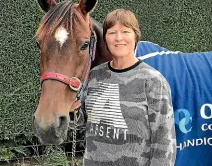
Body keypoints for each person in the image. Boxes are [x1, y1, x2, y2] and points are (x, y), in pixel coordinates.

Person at [71, 9, 176, 166]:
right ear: (105, 38)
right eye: (112, 32)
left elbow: (164, 141)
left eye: (125, 31)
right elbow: (83, 122)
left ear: (136, 37)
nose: (119, 38)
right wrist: (72, 110)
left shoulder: (153, 80)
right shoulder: (94, 75)